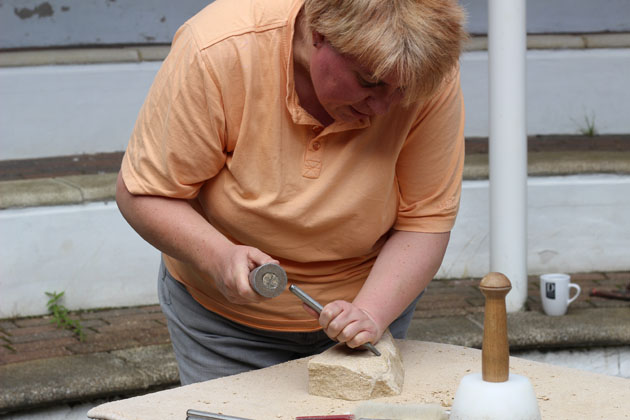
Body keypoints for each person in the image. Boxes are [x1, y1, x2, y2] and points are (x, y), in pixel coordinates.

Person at [116, 0, 467, 385]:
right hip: (225, 328)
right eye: (370, 82)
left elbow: (425, 222)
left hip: (368, 305)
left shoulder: (425, 72)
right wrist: (218, 256)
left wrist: (368, 314)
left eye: (403, 91)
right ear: (319, 34)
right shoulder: (220, 48)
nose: (384, 107)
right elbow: (145, 193)